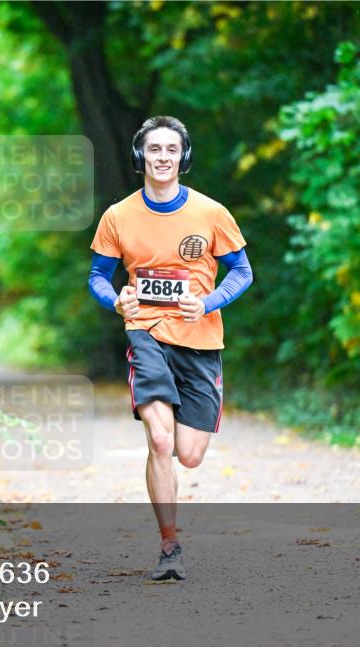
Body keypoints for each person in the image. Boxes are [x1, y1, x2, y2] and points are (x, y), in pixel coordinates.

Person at [87, 116, 253, 580]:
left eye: (171, 149)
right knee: (159, 440)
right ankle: (169, 545)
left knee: (190, 453)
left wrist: (207, 303)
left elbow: (242, 272)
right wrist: (116, 298)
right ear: (141, 156)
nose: (162, 157)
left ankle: (183, 438)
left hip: (200, 340)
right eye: (154, 149)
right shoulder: (118, 216)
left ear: (183, 157)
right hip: (146, 332)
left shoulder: (211, 213)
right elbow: (99, 277)